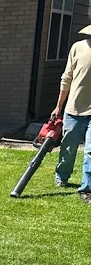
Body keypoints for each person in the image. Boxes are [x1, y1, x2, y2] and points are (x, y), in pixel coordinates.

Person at [53, 24, 91, 202]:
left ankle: (87, 188)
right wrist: (58, 106)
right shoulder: (77, 48)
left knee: (90, 151)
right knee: (68, 148)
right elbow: (66, 78)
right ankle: (62, 176)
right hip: (74, 108)